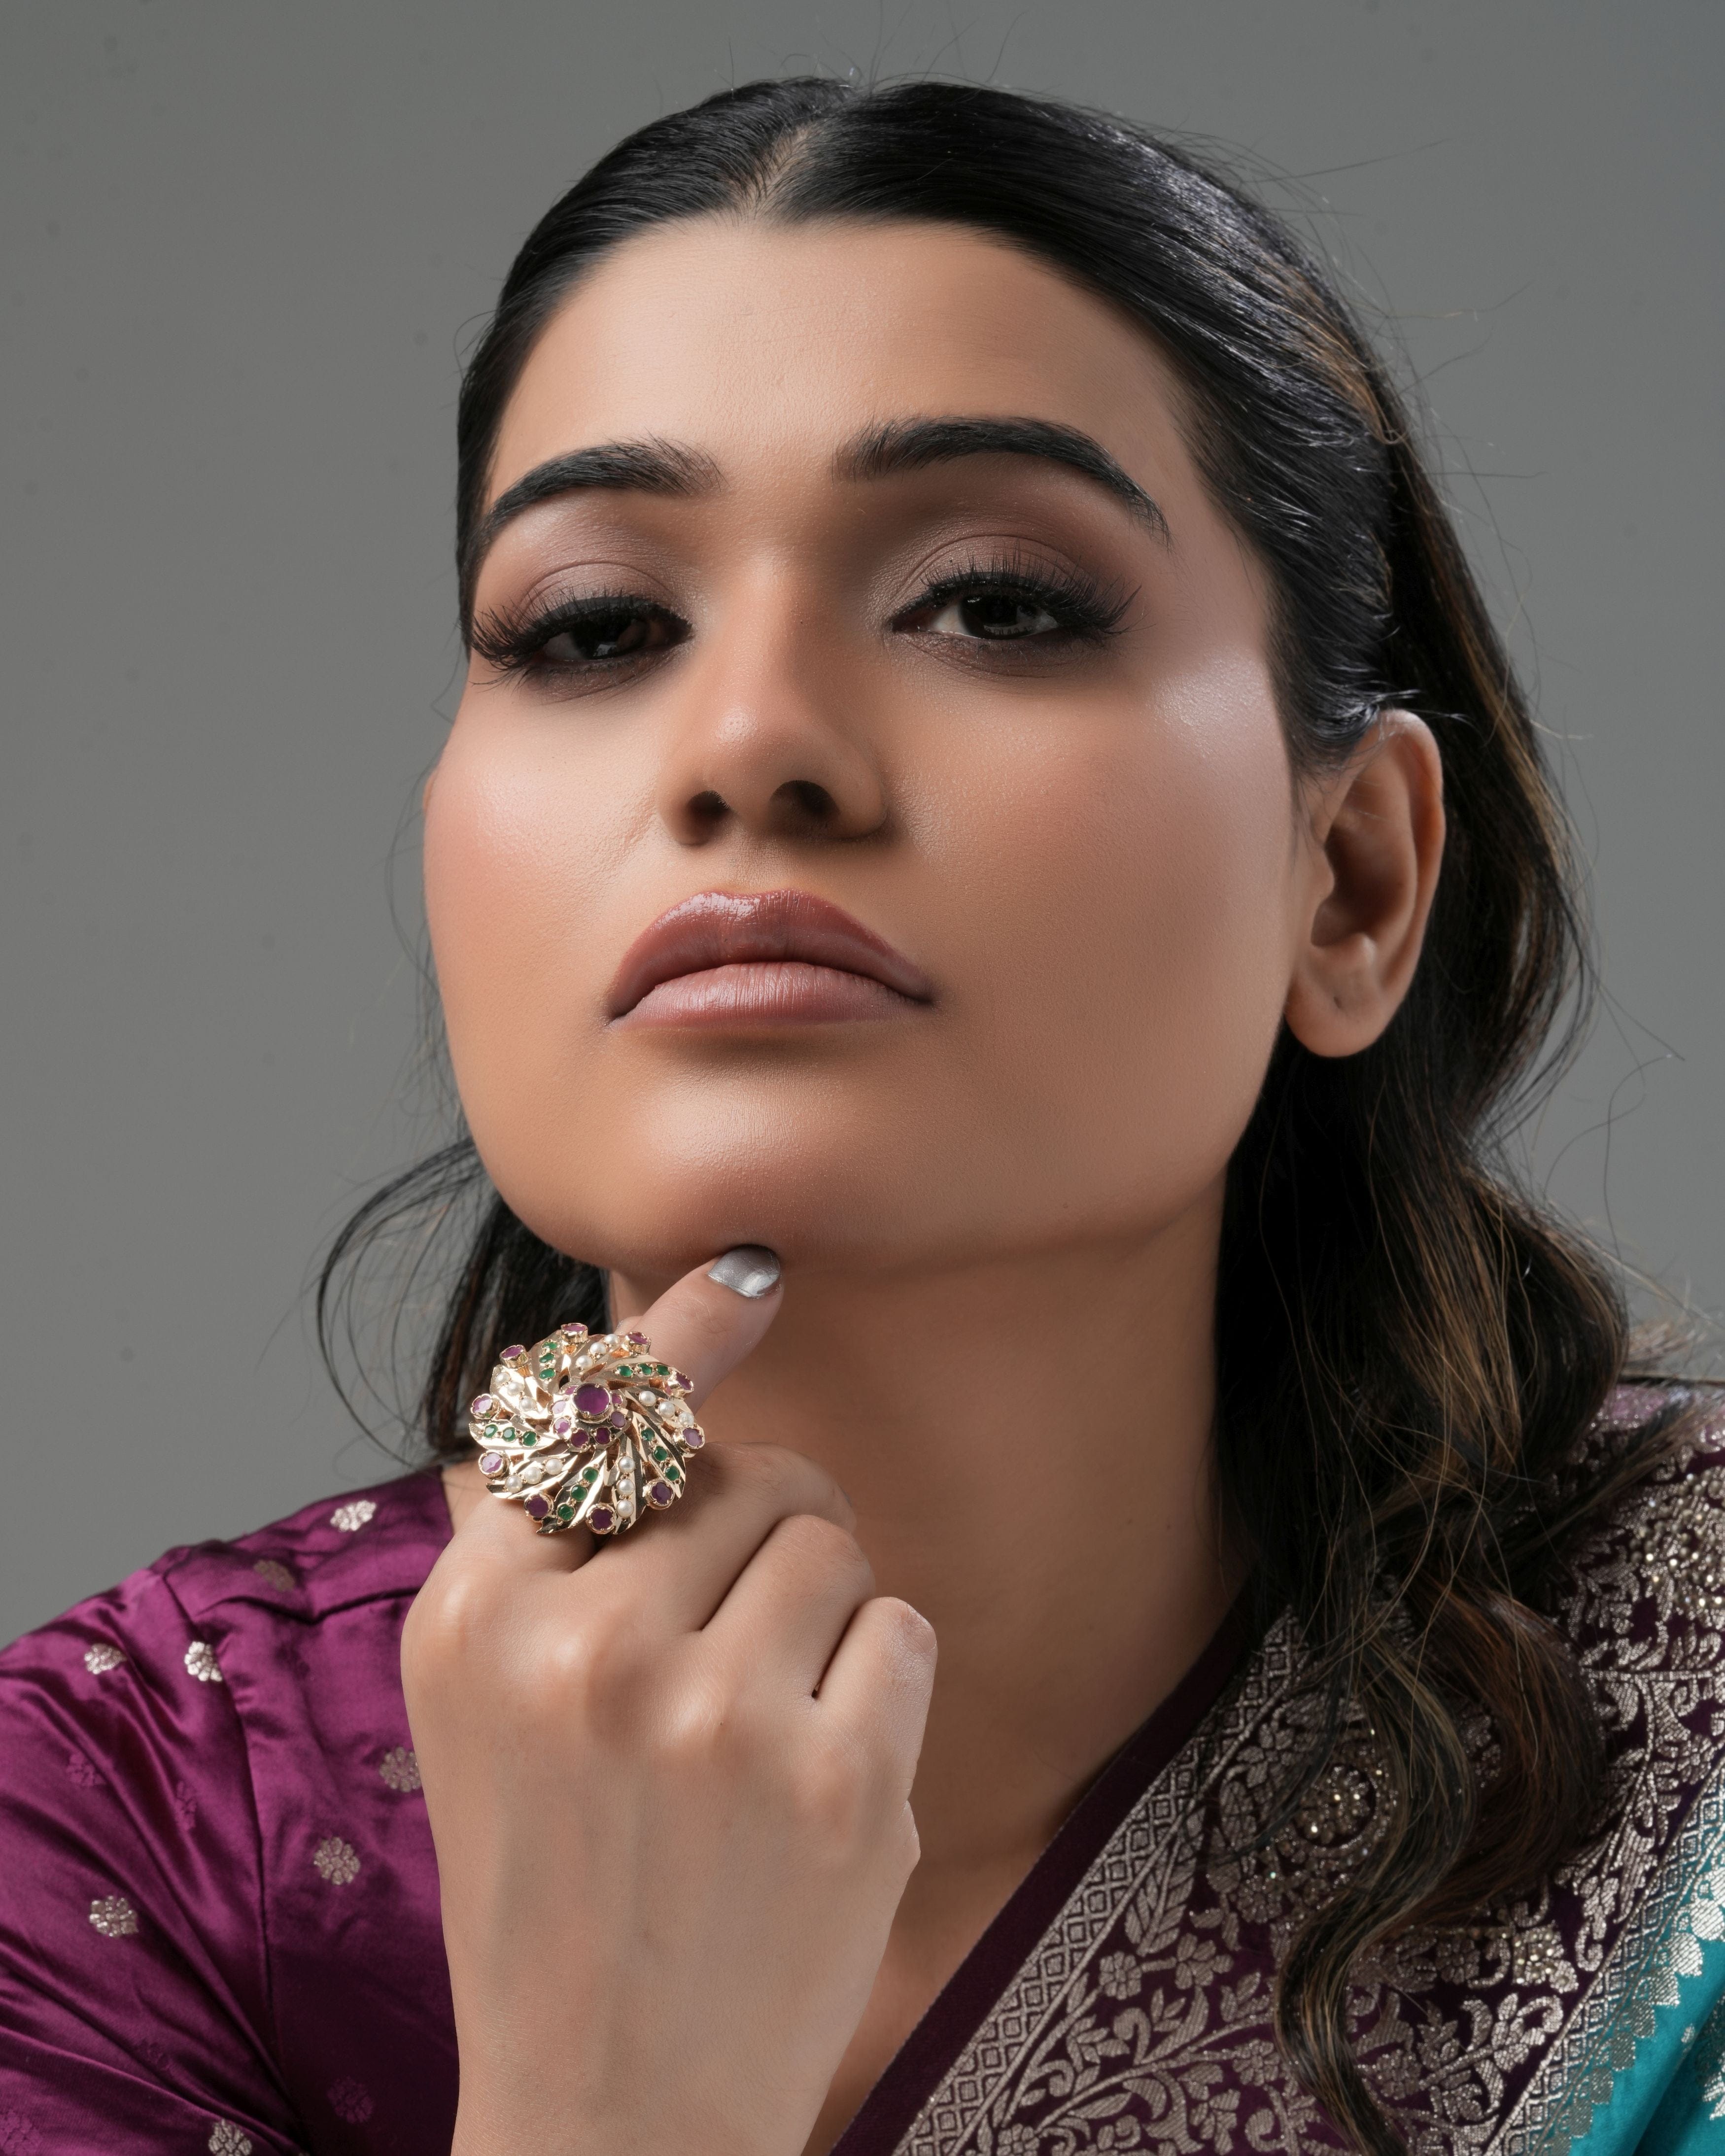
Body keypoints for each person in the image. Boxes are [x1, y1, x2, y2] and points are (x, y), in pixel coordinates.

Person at [1, 75, 1721, 2156]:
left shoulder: (1690, 1737)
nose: (747, 741)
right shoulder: (129, 1826)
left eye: (995, 601)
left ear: (1348, 879)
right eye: (596, 626)